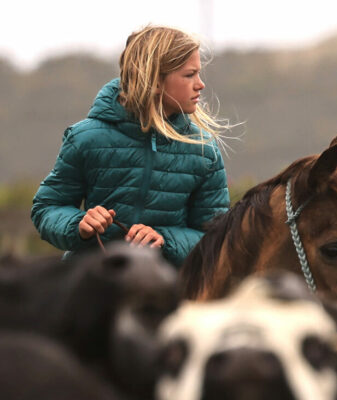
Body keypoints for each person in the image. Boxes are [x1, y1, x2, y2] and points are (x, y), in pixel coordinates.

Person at [32, 25, 230, 267]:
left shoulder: (204, 151)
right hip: (91, 281)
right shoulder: (86, 138)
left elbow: (217, 240)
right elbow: (47, 208)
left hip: (166, 286)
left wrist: (166, 240)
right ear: (154, 80)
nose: (200, 84)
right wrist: (79, 225)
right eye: (190, 75)